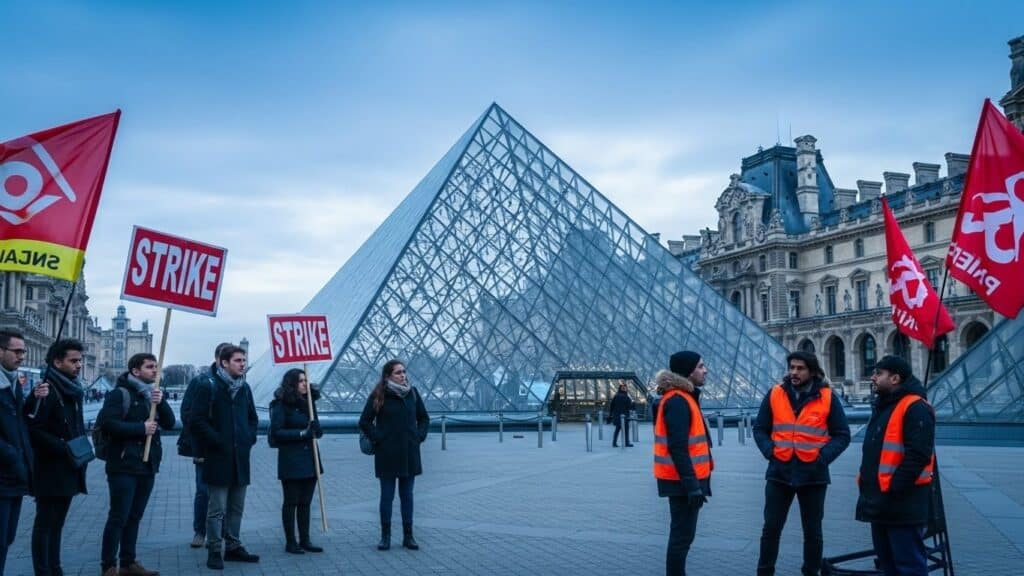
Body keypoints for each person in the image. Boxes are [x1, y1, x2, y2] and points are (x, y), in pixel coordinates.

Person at [752, 351, 850, 576]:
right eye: (792, 367)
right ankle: (764, 572)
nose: (794, 372)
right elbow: (760, 429)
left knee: (813, 531)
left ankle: (811, 572)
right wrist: (770, 451)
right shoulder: (775, 393)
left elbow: (842, 434)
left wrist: (822, 458)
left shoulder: (827, 397)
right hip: (779, 471)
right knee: (771, 529)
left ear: (812, 371)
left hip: (813, 474)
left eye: (800, 368)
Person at [97, 353, 176, 576]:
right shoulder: (119, 394)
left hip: (146, 465)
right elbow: (107, 424)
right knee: (118, 517)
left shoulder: (152, 394)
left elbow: (169, 423)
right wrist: (140, 429)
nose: (155, 371)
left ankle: (128, 563)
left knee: (135, 516)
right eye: (150, 367)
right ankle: (109, 566)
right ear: (135, 371)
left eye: (156, 367)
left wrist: (161, 402)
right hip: (123, 465)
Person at [856, 356, 935, 576]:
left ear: (895, 378)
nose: (872, 377)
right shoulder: (885, 405)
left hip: (902, 502)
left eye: (878, 373)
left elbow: (917, 456)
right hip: (881, 500)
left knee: (909, 566)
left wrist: (893, 489)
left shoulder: (915, 407)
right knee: (888, 564)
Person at [191, 345, 260, 570]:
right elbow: (196, 420)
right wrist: (217, 440)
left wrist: (249, 438)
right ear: (224, 362)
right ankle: (214, 550)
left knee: (236, 507)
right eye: (238, 360)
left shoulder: (245, 388)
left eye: (244, 360)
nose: (243, 364)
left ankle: (233, 547)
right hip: (218, 456)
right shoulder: (208, 386)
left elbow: (252, 418)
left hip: (240, 457)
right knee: (217, 508)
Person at [27, 339, 89, 576]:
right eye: (74, 361)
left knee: (57, 524)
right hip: (51, 469)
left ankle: (55, 568)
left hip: (70, 467)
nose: (79, 365)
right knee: (45, 524)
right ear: (57, 361)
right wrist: (64, 447)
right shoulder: (47, 389)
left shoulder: (72, 388)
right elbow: (34, 429)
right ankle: (44, 571)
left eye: (80, 360)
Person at [358, 360, 429, 551]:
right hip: (387, 453)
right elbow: (364, 421)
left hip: (409, 452)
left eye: (404, 371)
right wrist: (379, 438)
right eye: (398, 372)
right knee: (387, 496)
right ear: (388, 375)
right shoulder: (379, 395)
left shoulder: (412, 393)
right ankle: (385, 536)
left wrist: (419, 436)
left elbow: (424, 418)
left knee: (407, 496)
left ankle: (408, 536)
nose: (403, 375)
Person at [654, 351, 713, 576]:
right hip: (681, 482)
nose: (705, 370)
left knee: (683, 537)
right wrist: (692, 486)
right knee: (681, 538)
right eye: (700, 366)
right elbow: (678, 448)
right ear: (688, 371)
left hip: (682, 480)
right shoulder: (678, 400)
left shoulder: (682, 397)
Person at [0, 330, 48, 575]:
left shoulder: (11, 381)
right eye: (16, 351)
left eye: (23, 351)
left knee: (6, 538)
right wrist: (13, 456)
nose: (22, 356)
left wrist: (32, 399)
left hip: (14, 477)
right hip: (5, 473)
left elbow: (18, 422)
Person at [178, 342, 232, 549]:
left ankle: (221, 532)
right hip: (205, 447)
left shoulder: (236, 382)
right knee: (203, 491)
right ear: (220, 360)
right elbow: (187, 414)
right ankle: (200, 531)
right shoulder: (201, 381)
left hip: (227, 448)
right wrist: (202, 443)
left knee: (226, 491)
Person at [268, 368, 324, 555]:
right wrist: (302, 433)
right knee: (291, 502)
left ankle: (305, 539)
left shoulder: (310, 402)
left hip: (311, 459)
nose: (305, 383)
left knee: (306, 503)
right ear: (292, 383)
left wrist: (316, 429)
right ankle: (291, 542)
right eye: (301, 380)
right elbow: (276, 433)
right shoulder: (280, 405)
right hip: (291, 460)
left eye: (306, 379)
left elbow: (317, 432)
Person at [609, 383, 634, 447]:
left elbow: (611, 405)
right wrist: (633, 404)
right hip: (624, 415)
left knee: (617, 429)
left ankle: (614, 443)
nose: (624, 389)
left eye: (625, 387)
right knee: (626, 429)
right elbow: (629, 406)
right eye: (623, 388)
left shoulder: (616, 396)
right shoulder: (626, 397)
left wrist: (611, 414)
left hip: (617, 415)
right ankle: (626, 442)